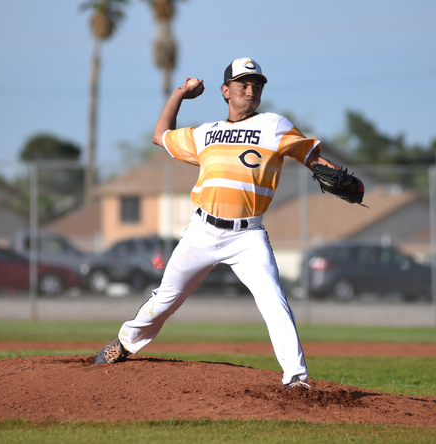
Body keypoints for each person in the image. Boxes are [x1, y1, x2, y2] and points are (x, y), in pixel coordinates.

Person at [95, 57, 350, 390]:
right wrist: (179, 95)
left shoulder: (274, 125)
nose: (251, 90)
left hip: (248, 236)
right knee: (165, 299)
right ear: (225, 91)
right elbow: (160, 135)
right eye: (243, 84)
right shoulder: (206, 133)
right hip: (201, 231)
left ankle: (297, 379)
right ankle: (126, 343)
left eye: (256, 85)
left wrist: (341, 176)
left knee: (273, 299)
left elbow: (312, 159)